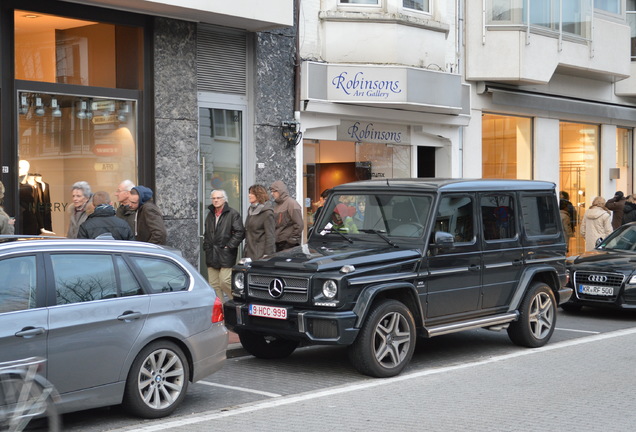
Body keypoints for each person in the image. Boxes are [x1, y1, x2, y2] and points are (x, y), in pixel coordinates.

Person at [203, 189, 245, 301]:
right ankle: (221, 312)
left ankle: (236, 302)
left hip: (225, 254)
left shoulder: (232, 214)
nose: (216, 200)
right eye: (213, 198)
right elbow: (207, 232)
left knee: (224, 281)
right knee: (214, 285)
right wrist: (206, 246)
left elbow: (240, 232)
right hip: (211, 253)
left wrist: (229, 246)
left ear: (224, 199)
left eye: (218, 198)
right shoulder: (210, 214)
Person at [270, 180, 303, 251]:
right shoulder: (276, 205)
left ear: (280, 191)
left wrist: (292, 241)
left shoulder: (292, 204)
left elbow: (299, 225)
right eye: (271, 191)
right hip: (278, 243)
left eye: (274, 191)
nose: (272, 194)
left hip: (288, 244)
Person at [244, 184, 275, 260]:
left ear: (258, 195)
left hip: (260, 254)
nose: (249, 195)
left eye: (252, 193)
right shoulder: (251, 210)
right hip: (249, 252)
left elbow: (270, 236)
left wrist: (267, 255)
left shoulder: (267, 213)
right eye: (249, 193)